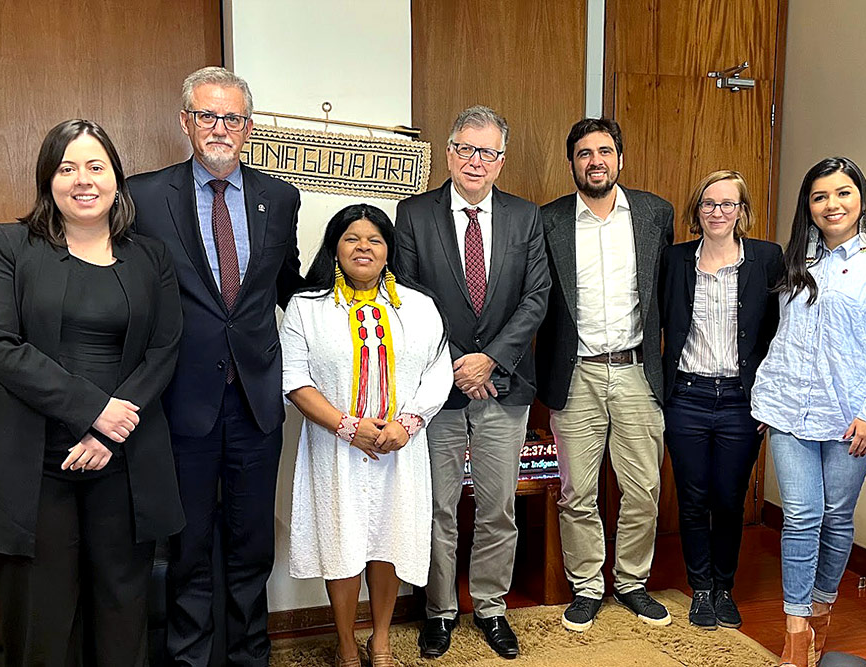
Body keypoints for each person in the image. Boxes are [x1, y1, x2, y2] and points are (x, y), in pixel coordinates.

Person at [0, 119, 184, 666]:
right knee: (42, 622)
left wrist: (110, 430)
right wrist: (94, 410)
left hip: (123, 460)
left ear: (116, 179)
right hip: (31, 464)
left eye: (96, 166)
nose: (83, 179)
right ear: (47, 179)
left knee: (124, 614)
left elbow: (164, 349)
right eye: (66, 167)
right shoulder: (7, 244)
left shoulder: (151, 257)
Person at [128, 66, 303, 666]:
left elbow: (289, 287)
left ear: (249, 128)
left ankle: (252, 658)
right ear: (186, 123)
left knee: (253, 546)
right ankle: (191, 660)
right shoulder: (145, 195)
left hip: (256, 401)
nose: (220, 128)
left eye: (232, 118)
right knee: (189, 547)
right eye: (208, 116)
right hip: (182, 402)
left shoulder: (279, 198)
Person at [751, 157, 866, 667]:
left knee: (835, 515)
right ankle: (796, 632)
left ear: (861, 198)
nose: (832, 205)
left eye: (843, 193)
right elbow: (786, 337)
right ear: (810, 206)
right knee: (801, 515)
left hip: (853, 417)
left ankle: (821, 612)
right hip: (790, 411)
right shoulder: (798, 260)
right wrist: (769, 393)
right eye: (820, 196)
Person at [395, 105, 550, 660]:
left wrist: (492, 360)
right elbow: (409, 295)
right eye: (466, 149)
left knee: (497, 506)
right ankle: (438, 610)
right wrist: (460, 361)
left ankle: (490, 606)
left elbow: (537, 298)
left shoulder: (526, 217)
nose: (475, 161)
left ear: (502, 161)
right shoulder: (412, 215)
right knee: (436, 505)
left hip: (503, 388)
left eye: (488, 152)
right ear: (449, 152)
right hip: (436, 390)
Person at [280, 204, 452, 667]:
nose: (363, 247)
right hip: (334, 448)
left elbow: (438, 373)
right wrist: (349, 427)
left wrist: (408, 424)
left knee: (388, 539)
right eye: (352, 238)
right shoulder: (307, 307)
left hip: (400, 449)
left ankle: (380, 641)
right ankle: (345, 643)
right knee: (342, 541)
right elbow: (295, 379)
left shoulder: (419, 307)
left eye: (374, 239)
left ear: (389, 251)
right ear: (334, 248)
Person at [536, 117, 674, 632]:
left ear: (620, 158)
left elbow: (667, 293)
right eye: (584, 153)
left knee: (644, 489)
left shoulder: (655, 213)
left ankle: (632, 582)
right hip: (576, 375)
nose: (595, 161)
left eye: (605, 151)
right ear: (572, 162)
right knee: (577, 492)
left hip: (638, 371)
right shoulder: (547, 220)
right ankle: (588, 586)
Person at [659, 170, 783, 630]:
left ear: (741, 212)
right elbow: (658, 323)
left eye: (728, 204)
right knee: (692, 497)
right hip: (687, 396)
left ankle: (725, 587)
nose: (717, 212)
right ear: (697, 210)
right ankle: (702, 590)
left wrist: (769, 398)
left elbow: (778, 332)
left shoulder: (766, 259)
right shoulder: (674, 260)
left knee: (729, 499)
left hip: (739, 400)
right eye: (709, 204)